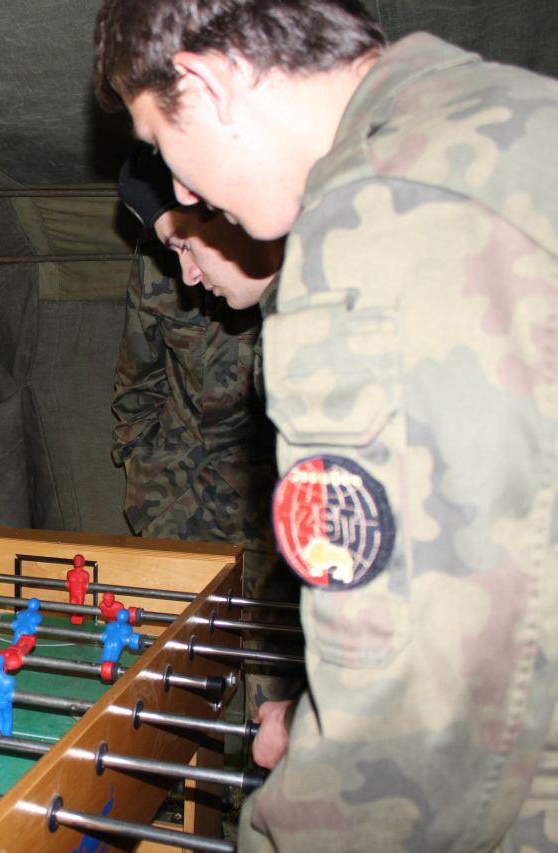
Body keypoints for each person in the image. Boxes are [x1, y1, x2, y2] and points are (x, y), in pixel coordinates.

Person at [94, 1, 558, 849]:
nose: (186, 194)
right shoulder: (511, 119)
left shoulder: (369, 230)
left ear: (206, 81)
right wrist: (318, 707)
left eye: (164, 146)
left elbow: (409, 735)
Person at [116, 146, 301, 712]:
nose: (187, 273)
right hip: (178, 498)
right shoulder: (160, 266)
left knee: (274, 691)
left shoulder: (308, 289)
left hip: (271, 509)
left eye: (186, 246)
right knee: (172, 689)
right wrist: (143, 472)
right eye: (173, 250)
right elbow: (136, 382)